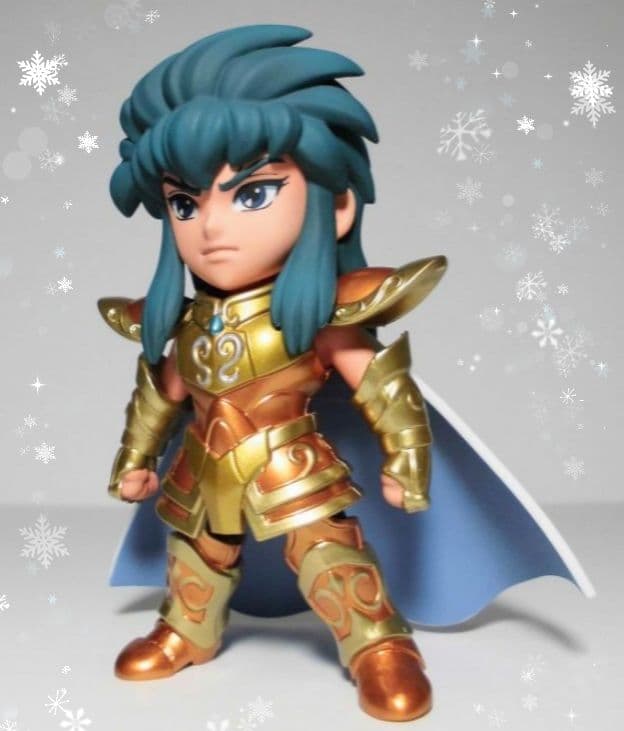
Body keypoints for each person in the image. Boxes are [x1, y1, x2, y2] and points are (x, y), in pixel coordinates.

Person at [100, 24, 594, 724]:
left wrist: (406, 458)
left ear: (334, 206)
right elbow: (163, 391)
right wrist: (135, 460)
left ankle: (378, 646)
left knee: (326, 550)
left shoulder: (321, 313)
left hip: (289, 461)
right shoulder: (184, 322)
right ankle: (187, 629)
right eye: (186, 202)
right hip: (203, 465)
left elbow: (382, 387)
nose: (210, 227)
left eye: (250, 194)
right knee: (197, 550)